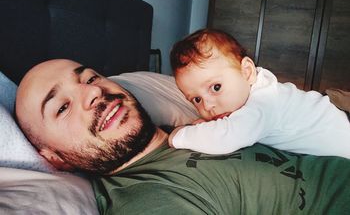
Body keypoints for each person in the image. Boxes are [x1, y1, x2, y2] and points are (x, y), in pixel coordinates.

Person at [15, 59, 350, 214]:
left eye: (89, 78)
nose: (92, 93)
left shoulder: (197, 124)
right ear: (53, 158)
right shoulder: (148, 198)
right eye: (61, 108)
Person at [168, 28, 350, 158]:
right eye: (196, 99)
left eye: (216, 88)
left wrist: (179, 135)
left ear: (247, 71)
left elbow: (229, 136)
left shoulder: (264, 102)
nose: (207, 106)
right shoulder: (255, 91)